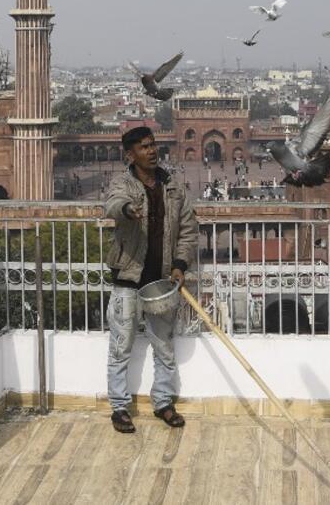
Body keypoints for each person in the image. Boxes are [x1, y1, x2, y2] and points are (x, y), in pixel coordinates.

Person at [104, 127, 198, 434]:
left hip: (161, 279)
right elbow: (114, 204)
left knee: (164, 346)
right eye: (144, 147)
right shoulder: (123, 183)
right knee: (121, 345)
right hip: (129, 277)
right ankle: (119, 407)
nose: (152, 151)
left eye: (153, 144)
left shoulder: (173, 186)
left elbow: (187, 229)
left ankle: (163, 402)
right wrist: (128, 210)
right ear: (130, 155)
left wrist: (181, 264)